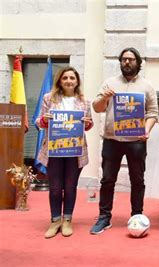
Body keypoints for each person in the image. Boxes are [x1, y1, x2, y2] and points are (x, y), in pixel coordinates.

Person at [90, 47, 159, 234]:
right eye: (123, 59)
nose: (127, 62)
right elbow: (96, 108)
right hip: (112, 139)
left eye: (131, 59)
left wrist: (146, 130)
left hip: (136, 140)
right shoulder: (109, 83)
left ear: (138, 63)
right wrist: (104, 97)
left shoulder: (147, 86)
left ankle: (137, 216)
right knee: (107, 180)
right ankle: (104, 217)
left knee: (137, 180)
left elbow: (153, 112)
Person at [36, 67, 94, 238]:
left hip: (75, 151)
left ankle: (67, 219)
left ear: (77, 81)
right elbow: (39, 122)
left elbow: (88, 126)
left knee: (70, 187)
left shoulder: (85, 102)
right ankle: (55, 220)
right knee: (54, 188)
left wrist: (87, 122)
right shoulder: (49, 98)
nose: (69, 81)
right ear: (59, 81)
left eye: (72, 78)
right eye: (65, 78)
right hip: (53, 151)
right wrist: (45, 120)